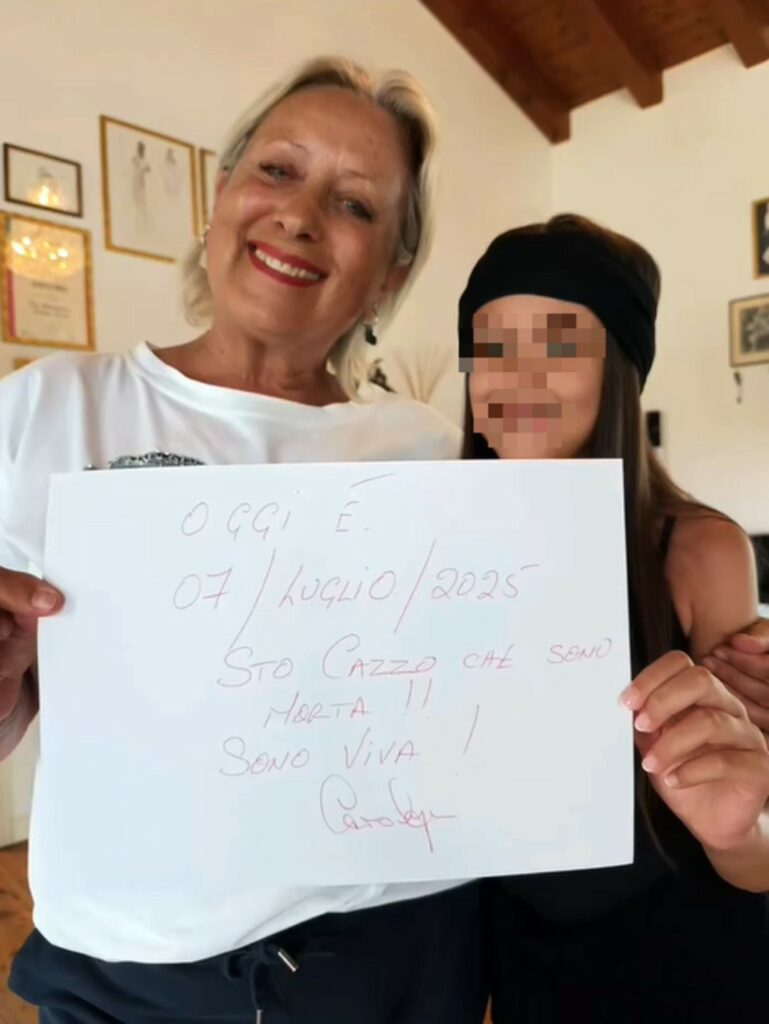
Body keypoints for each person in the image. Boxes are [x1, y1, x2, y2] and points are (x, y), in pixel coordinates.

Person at [0, 58, 486, 1024]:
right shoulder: (44, 409)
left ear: (390, 273)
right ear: (219, 196)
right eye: (276, 170)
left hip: (394, 952)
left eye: (354, 203)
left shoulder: (431, 450)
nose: (298, 216)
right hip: (129, 963)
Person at [458, 214, 769, 1022]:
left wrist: (739, 823)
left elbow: (747, 831)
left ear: (619, 371)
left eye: (558, 346)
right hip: (511, 956)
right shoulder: (436, 547)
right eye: (491, 347)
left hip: (683, 956)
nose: (518, 376)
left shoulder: (696, 549)